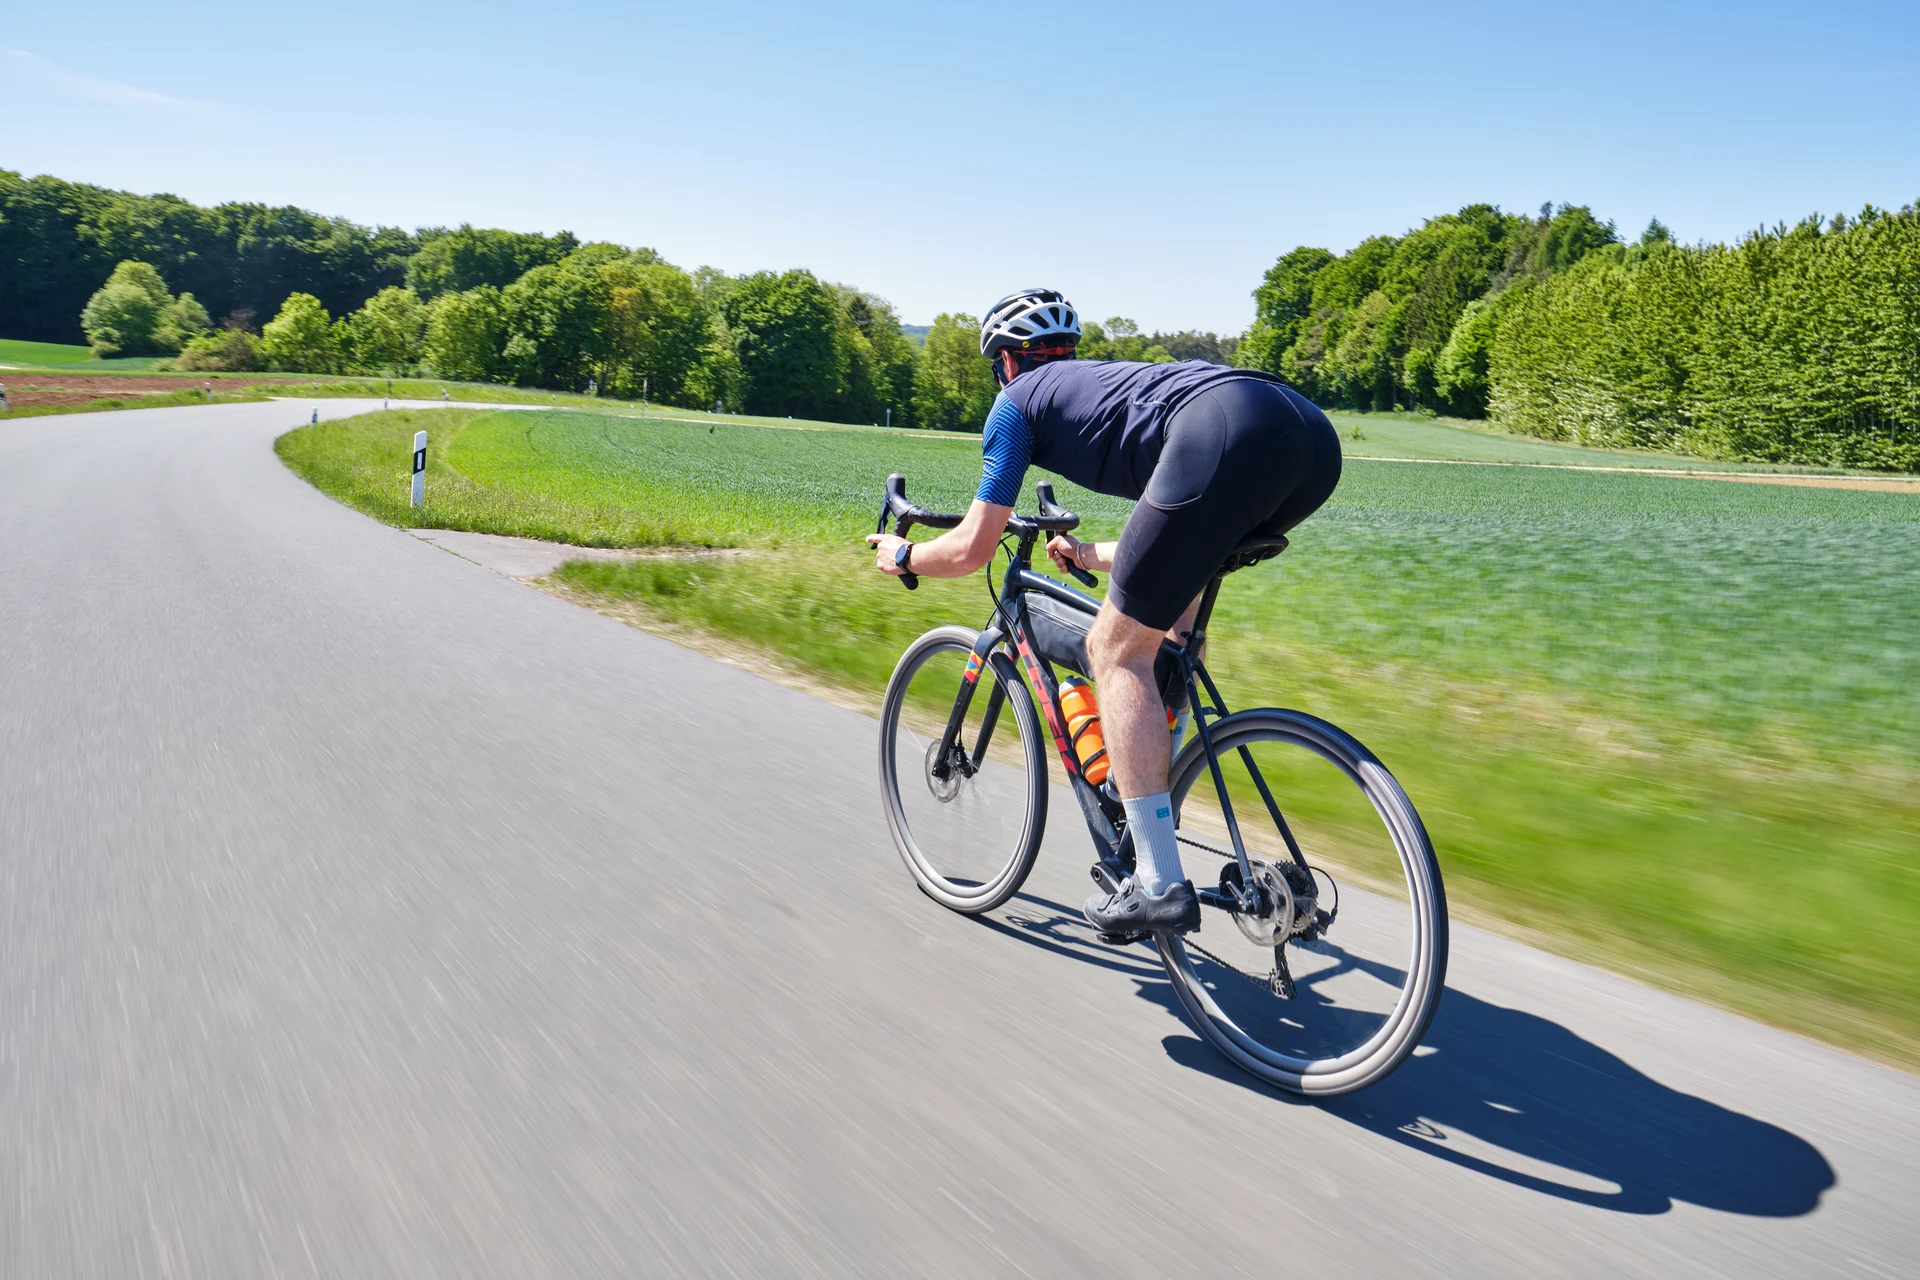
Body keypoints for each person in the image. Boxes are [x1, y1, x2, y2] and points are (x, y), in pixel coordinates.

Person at [866, 289, 1341, 936]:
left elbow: (974, 548)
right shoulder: (1107, 385)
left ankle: (1157, 879)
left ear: (1006, 360)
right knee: (1172, 632)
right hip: (1305, 434)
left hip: (1223, 428)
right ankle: (1152, 801)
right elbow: (1179, 526)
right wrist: (1088, 554)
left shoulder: (1016, 402)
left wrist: (905, 554)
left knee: (1113, 651)